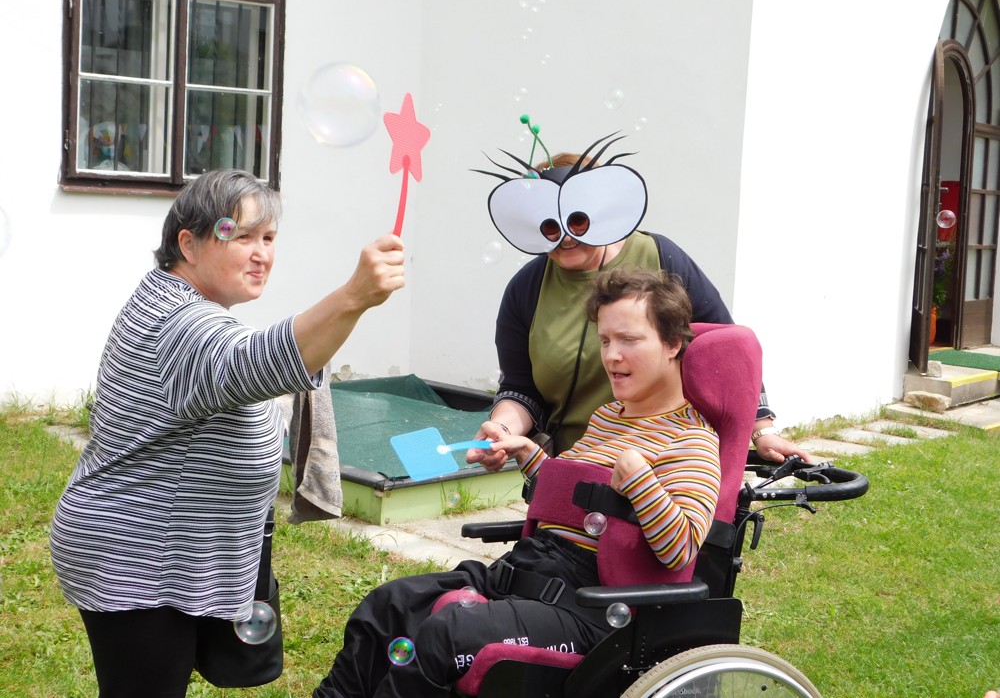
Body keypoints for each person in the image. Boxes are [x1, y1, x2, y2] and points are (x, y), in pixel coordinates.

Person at [49, 169, 406, 697]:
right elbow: (253, 361)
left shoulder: (179, 303)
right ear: (188, 244)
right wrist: (354, 295)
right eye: (241, 237)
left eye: (269, 238)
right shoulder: (179, 324)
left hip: (167, 552)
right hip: (140, 560)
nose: (261, 254)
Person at [313, 267, 720, 698]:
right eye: (604, 340)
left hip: (592, 607)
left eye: (629, 340)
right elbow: (578, 505)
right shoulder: (608, 417)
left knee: (448, 634)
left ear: (673, 343)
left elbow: (680, 550)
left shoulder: (691, 441)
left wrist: (642, 482)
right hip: (528, 570)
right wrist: (527, 454)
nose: (612, 356)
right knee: (389, 605)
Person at [474, 145, 810, 463]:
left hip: (668, 461)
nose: (566, 236)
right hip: (576, 463)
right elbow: (520, 389)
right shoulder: (526, 288)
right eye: (550, 226)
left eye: (577, 220)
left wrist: (762, 430)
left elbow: (730, 351)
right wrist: (501, 430)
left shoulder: (661, 258)